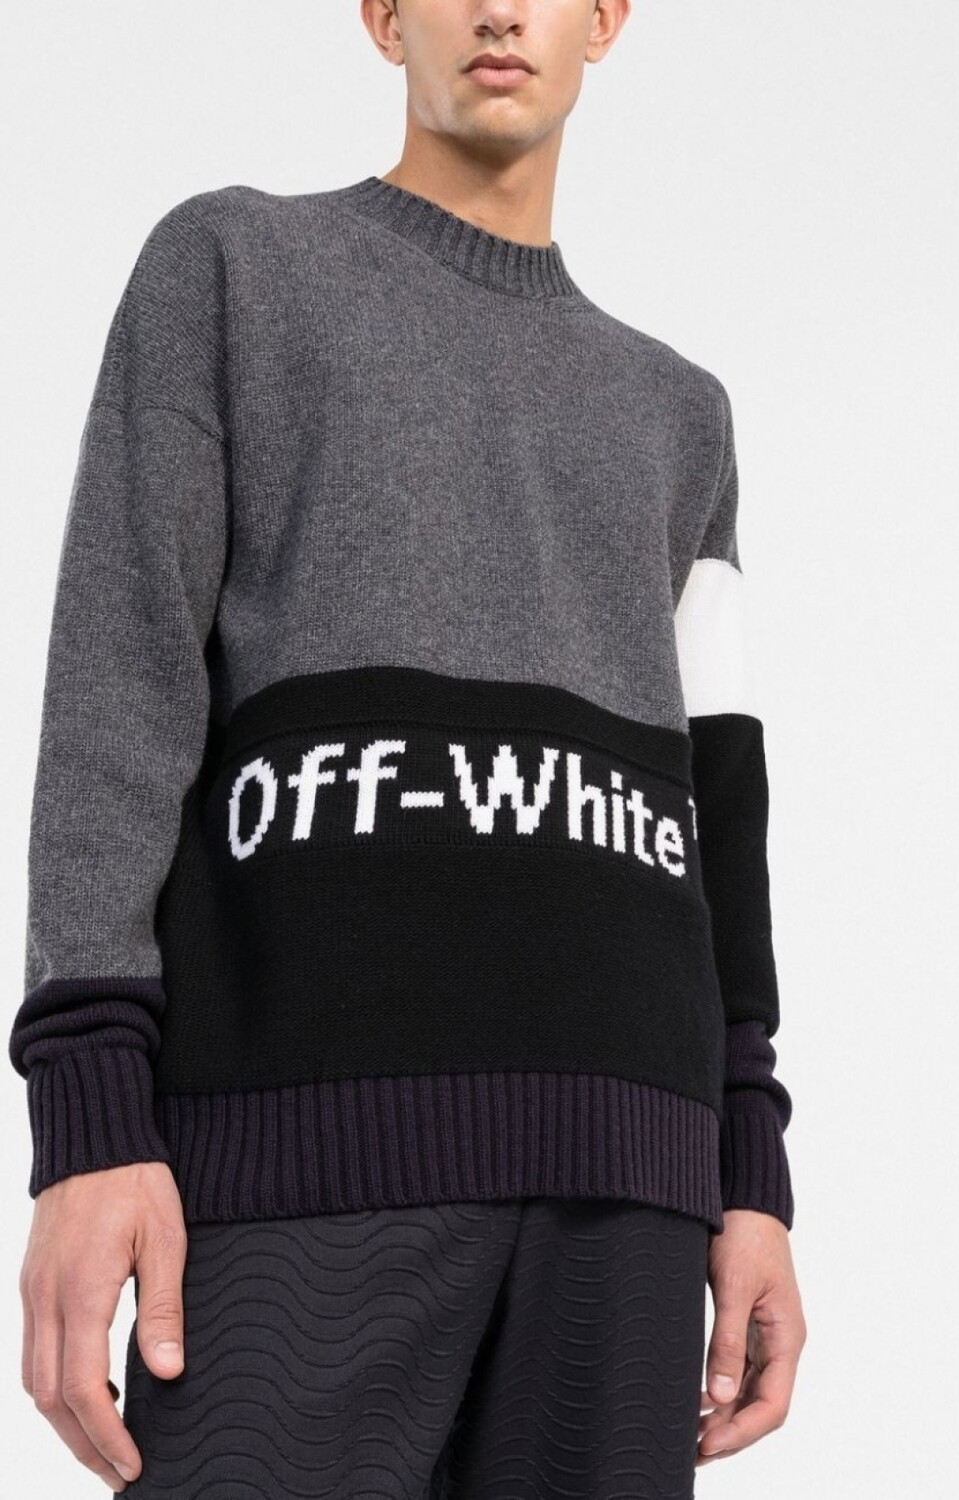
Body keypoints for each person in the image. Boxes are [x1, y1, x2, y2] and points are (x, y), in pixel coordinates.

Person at [10, 0, 806, 1492]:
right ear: (382, 16)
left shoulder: (680, 416)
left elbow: (720, 808)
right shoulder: (234, 268)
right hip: (299, 1149)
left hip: (628, 1172)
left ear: (604, 19)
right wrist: (89, 1118)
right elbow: (119, 689)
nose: (498, 10)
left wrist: (748, 1167)